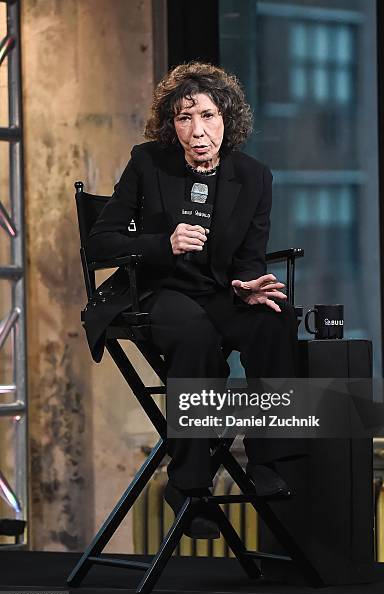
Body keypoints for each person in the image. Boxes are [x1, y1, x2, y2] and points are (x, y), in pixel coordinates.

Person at [84, 62, 303, 539]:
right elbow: (101, 242)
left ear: (228, 118)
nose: (197, 131)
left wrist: (250, 283)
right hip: (154, 290)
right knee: (195, 334)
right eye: (184, 118)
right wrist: (164, 242)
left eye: (207, 116)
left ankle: (266, 458)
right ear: (171, 125)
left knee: (275, 320)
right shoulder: (148, 162)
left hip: (217, 292)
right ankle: (188, 482)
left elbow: (249, 257)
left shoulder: (255, 177)